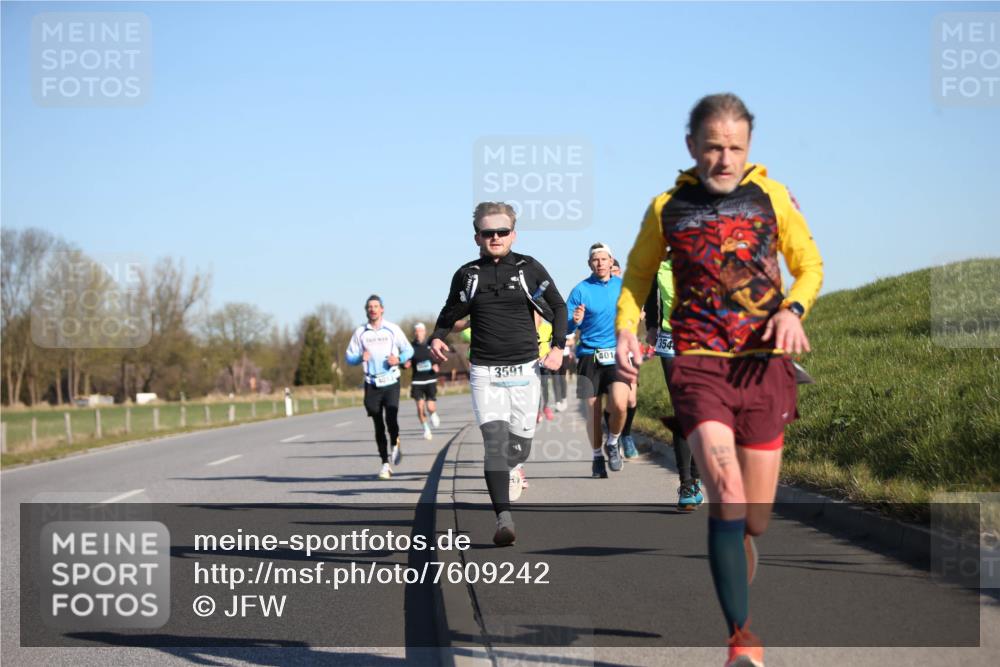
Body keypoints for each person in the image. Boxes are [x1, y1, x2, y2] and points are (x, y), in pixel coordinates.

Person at [615, 93, 823, 667]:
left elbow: (809, 265)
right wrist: (627, 327)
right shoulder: (667, 207)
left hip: (763, 365)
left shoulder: (772, 196)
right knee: (726, 493)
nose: (724, 159)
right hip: (699, 363)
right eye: (712, 147)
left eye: (735, 147)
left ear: (749, 146)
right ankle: (741, 640)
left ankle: (741, 542)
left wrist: (793, 310)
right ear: (691, 146)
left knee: (755, 516)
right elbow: (636, 277)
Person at [429, 202, 566, 547]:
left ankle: (514, 466)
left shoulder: (528, 268)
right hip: (485, 371)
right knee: (494, 444)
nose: (495, 237)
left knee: (519, 447)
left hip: (525, 370)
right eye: (488, 232)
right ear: (477, 236)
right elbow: (449, 311)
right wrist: (436, 337)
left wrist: (558, 347)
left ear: (513, 235)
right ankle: (503, 518)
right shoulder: (468, 275)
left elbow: (559, 306)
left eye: (502, 232)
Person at [566, 243, 631, 478]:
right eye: (596, 260)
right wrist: (574, 321)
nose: (600, 263)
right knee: (593, 411)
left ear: (611, 261)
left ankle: (612, 442)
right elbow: (565, 327)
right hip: (588, 355)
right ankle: (596, 457)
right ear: (589, 264)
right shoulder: (580, 290)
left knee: (620, 405)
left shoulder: (623, 287)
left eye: (604, 259)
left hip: (617, 354)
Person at [644, 258, 704, 510]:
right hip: (671, 341)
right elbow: (651, 297)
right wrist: (651, 326)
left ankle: (696, 476)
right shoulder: (659, 263)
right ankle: (686, 483)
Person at [345, 295, 414, 480]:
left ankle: (395, 443)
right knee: (377, 422)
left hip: (391, 381)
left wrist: (398, 359)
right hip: (371, 383)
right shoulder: (360, 332)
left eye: (376, 306)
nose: (373, 309)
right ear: (366, 310)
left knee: (391, 417)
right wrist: (360, 357)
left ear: (382, 309)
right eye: (370, 307)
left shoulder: (392, 329)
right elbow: (349, 357)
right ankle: (385, 463)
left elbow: (409, 350)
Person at [612, 258, 640, 459]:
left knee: (631, 399)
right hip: (606, 353)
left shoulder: (628, 292)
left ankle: (626, 435)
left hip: (627, 353)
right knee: (615, 401)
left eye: (615, 270)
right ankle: (613, 436)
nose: (612, 274)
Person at [405, 322, 441, 440]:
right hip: (417, 382)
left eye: (420, 331)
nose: (418, 333)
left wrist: (436, 364)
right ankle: (426, 429)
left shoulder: (430, 345)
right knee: (420, 407)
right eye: (416, 331)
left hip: (430, 380)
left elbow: (438, 358)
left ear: (424, 332)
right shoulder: (410, 347)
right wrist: (405, 364)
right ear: (414, 333)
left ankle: (433, 414)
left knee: (430, 407)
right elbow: (405, 361)